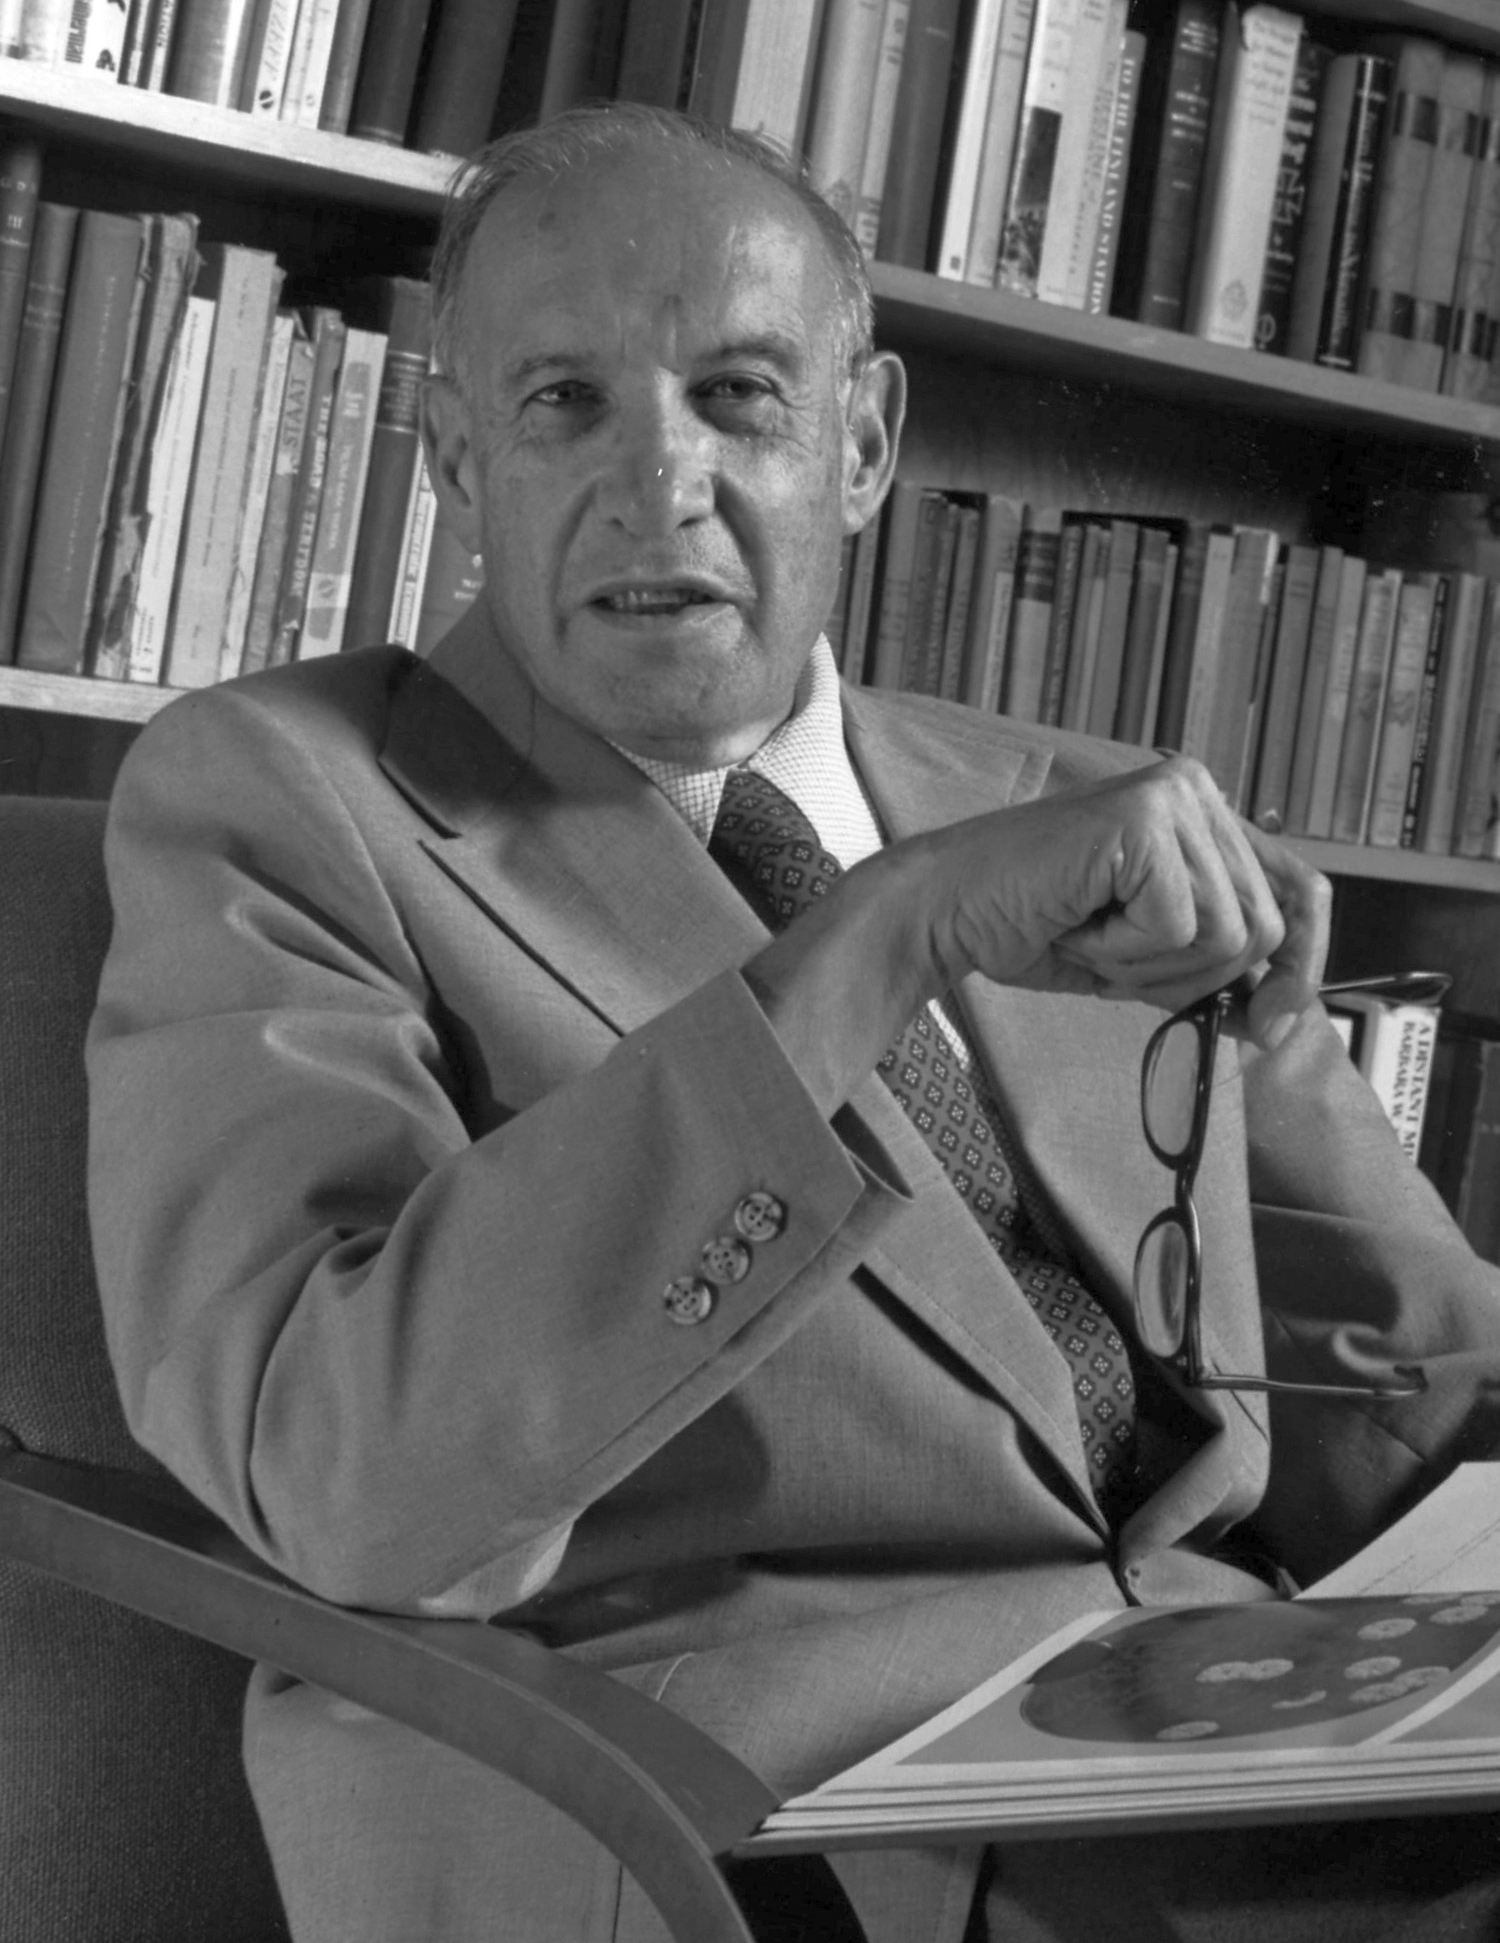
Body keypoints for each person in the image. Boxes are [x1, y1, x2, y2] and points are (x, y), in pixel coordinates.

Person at [86, 102, 1500, 1943]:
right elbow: (346, 1472)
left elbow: (1412, 1369)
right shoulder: (277, 798)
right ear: (452, 458)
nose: (658, 484)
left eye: (739, 396)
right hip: (744, 1803)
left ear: (865, 443)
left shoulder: (1083, 803)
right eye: (563, 402)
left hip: (1237, 1725)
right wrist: (878, 940)